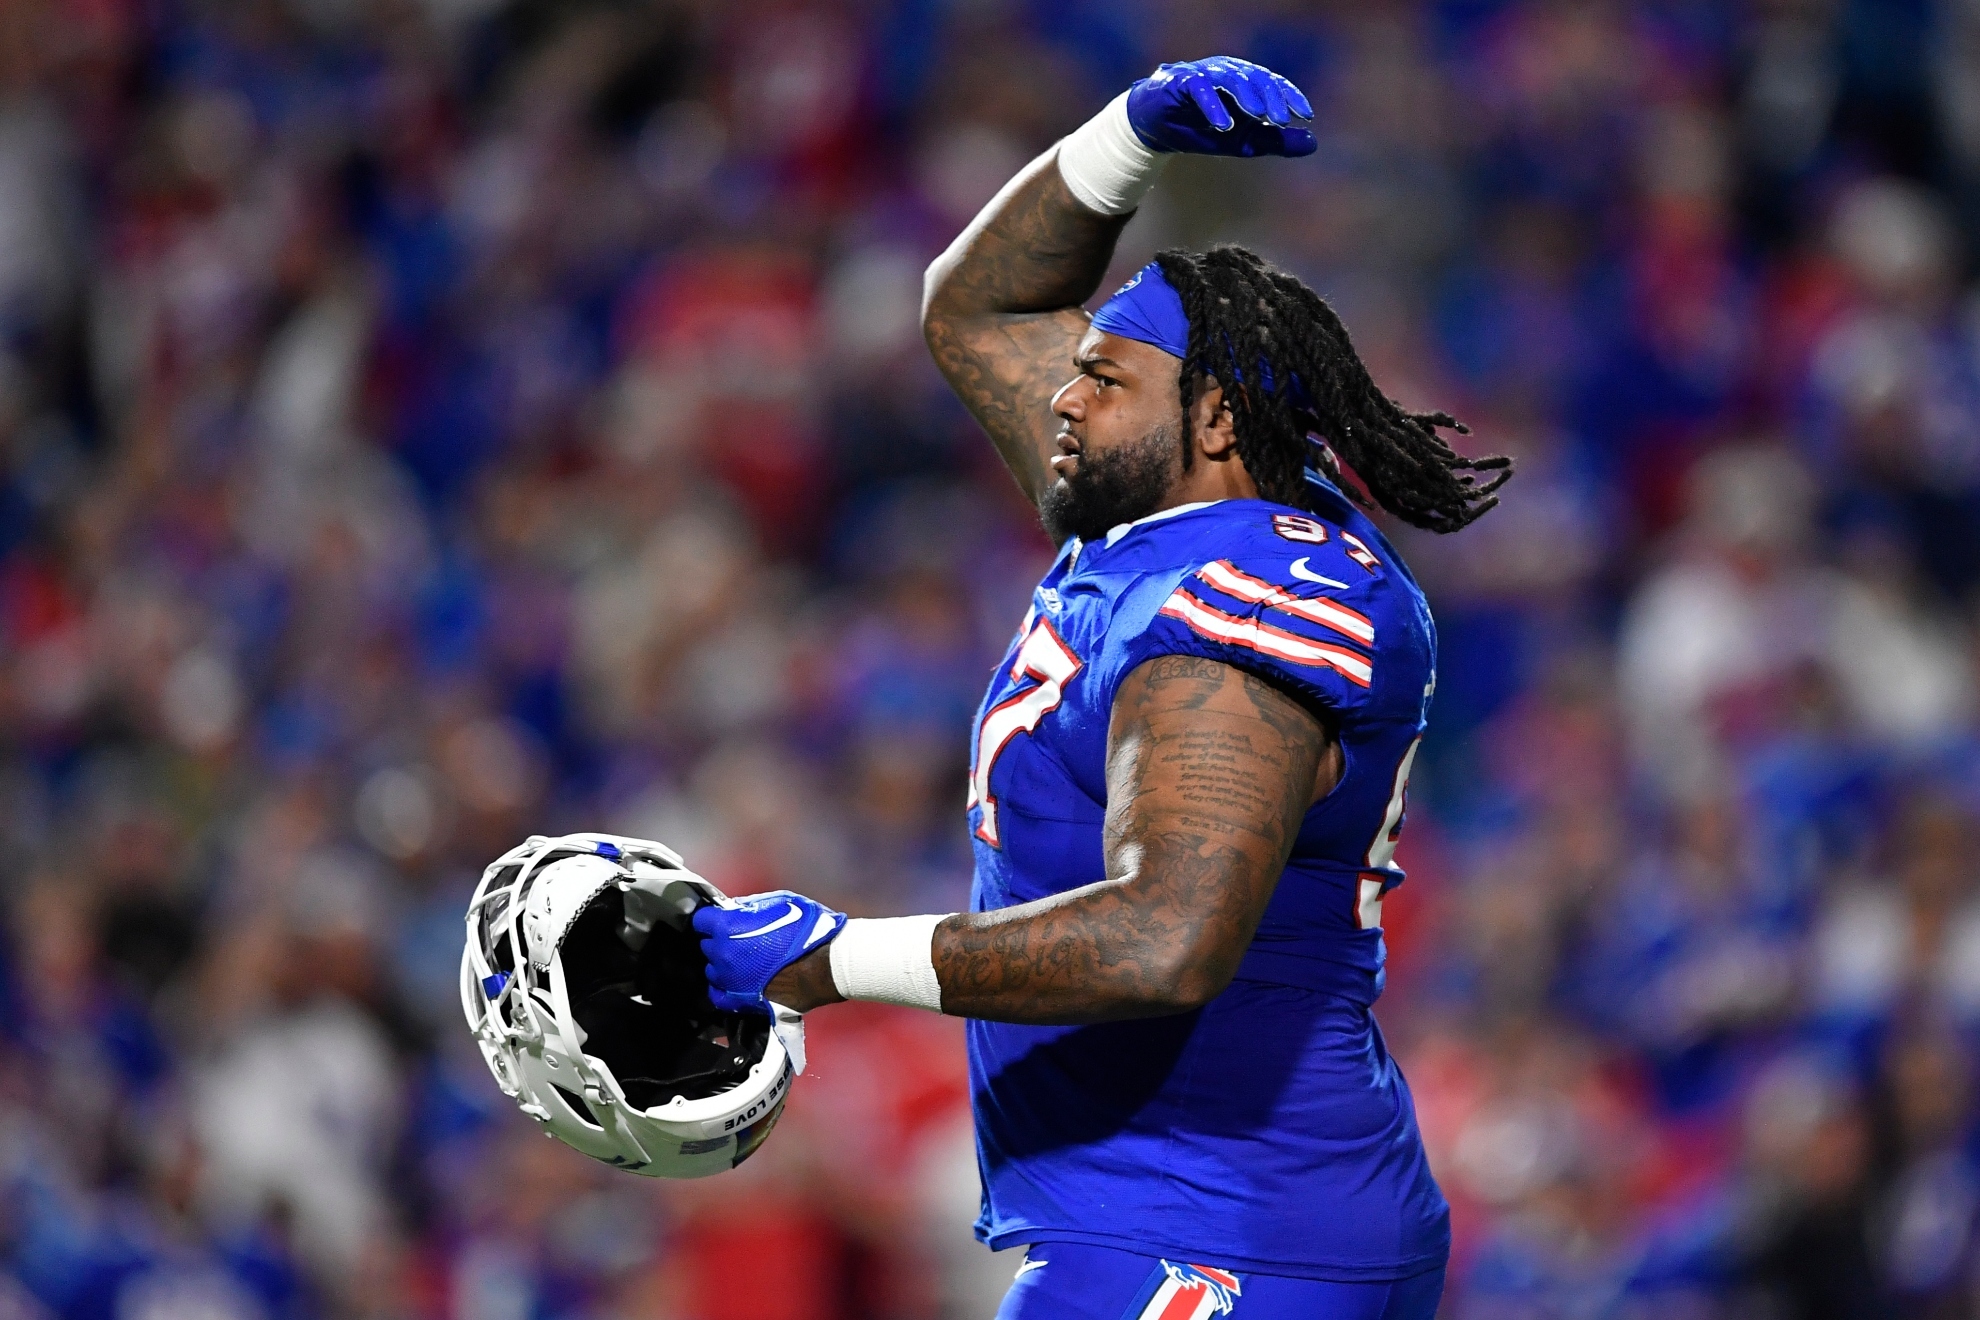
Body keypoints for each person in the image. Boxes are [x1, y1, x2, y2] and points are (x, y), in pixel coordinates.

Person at [695, 56, 1511, 1320]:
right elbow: (973, 311)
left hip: (1228, 1232)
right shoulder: (1147, 517)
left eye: (1105, 378)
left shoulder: (1241, 606)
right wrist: (1126, 134)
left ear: (1220, 418)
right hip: (1175, 1212)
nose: (1064, 396)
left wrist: (833, 958)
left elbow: (1166, 937)